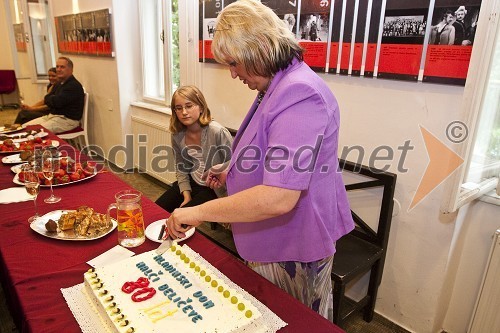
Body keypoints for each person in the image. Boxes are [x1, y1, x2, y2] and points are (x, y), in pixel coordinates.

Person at [166, 0, 354, 319]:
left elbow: (279, 197)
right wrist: (232, 169)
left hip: (295, 242)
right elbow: (269, 146)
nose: (233, 73)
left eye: (235, 63)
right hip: (272, 236)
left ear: (259, 49)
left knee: (294, 321)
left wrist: (198, 212)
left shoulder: (299, 93)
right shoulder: (276, 84)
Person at [155, 85, 233, 213]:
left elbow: (233, 166)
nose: (184, 112)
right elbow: (181, 168)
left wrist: (227, 202)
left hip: (214, 188)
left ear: (201, 107)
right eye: (178, 108)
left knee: (181, 220)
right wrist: (187, 195)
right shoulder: (177, 133)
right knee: (156, 210)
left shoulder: (217, 131)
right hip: (192, 182)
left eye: (189, 106)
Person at [23, 57, 84, 134]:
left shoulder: (73, 86)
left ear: (71, 70)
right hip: (52, 116)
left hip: (67, 121)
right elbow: (47, 99)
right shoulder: (59, 83)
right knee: (24, 127)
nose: (58, 69)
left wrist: (50, 98)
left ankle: (44, 146)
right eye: (57, 67)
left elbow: (55, 103)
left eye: (62, 67)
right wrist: (50, 98)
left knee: (34, 132)